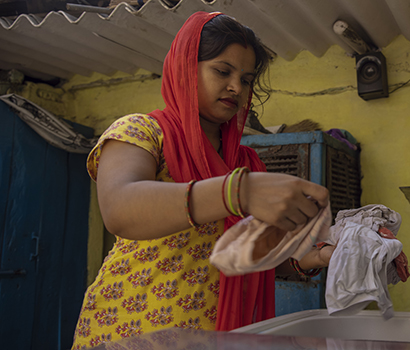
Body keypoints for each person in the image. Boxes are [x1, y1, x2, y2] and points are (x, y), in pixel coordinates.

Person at [71, 12, 334, 349]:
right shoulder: (142, 132)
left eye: (248, 79)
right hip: (134, 329)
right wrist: (235, 192)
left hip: (214, 335)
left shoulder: (245, 163)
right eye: (222, 71)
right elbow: (119, 208)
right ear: (185, 68)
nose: (236, 87)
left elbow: (246, 251)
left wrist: (309, 257)